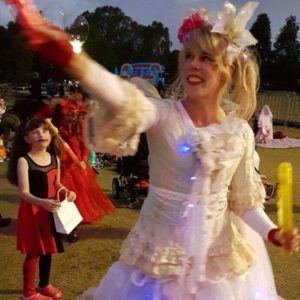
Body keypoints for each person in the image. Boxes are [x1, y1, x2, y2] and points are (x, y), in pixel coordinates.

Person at [8, 1, 299, 299]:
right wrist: (67, 55)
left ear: (228, 70)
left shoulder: (239, 133)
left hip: (217, 270)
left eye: (207, 58)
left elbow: (243, 202)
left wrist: (272, 232)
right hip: (157, 265)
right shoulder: (163, 116)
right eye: (188, 55)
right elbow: (120, 96)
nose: (193, 64)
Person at [7, 118, 76, 300]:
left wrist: (67, 192)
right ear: (27, 138)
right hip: (33, 212)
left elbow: (57, 184)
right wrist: (42, 202)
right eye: (35, 132)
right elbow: (24, 193)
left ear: (51, 136)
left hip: (50, 212)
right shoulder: (24, 160)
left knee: (49, 249)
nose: (41, 135)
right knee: (34, 252)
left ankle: (44, 284)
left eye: (45, 131)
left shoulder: (55, 159)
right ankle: (28, 293)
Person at [51, 98, 114, 243]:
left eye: (74, 113)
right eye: (69, 113)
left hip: (78, 166)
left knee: (79, 197)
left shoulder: (79, 127)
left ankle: (73, 224)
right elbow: (55, 149)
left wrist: (83, 159)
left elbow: (84, 145)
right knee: (64, 195)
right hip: (62, 166)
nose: (72, 116)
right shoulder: (55, 129)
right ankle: (69, 227)